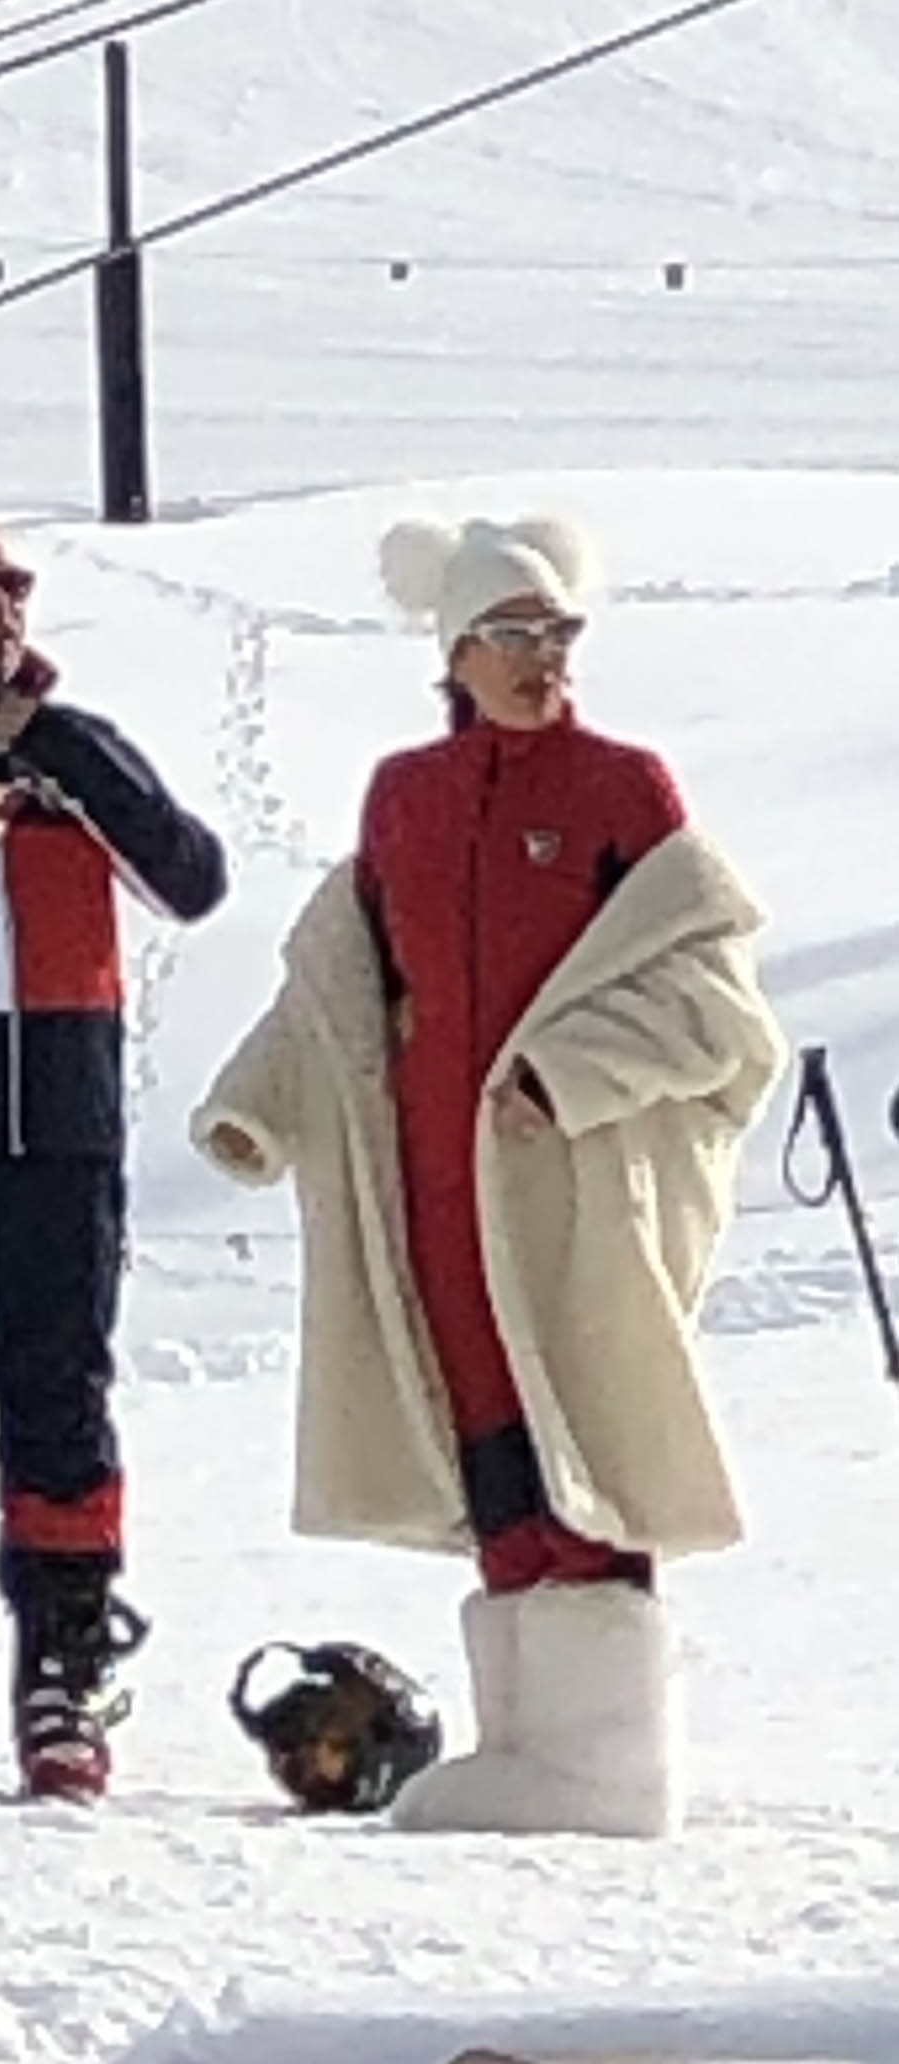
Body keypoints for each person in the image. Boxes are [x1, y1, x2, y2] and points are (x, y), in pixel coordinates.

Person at [191, 516, 785, 1837]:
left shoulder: (624, 789)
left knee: (582, 1421)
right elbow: (343, 985)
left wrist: (568, 1073)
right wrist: (257, 1105)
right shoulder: (401, 797)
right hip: (431, 1177)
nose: (539, 660)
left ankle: (609, 1761)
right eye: (511, 637)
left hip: (562, 1177)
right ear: (452, 650)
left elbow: (710, 994)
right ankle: (528, 1744)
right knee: (480, 1432)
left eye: (555, 634)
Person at [0, 510, 227, 1797]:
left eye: (14, 585)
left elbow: (192, 878)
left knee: (61, 1390)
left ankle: (62, 1668)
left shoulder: (73, 746)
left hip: (63, 1113)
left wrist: (55, 747)